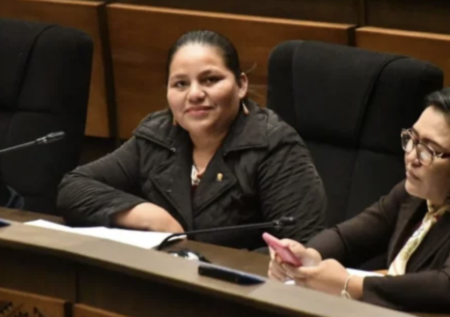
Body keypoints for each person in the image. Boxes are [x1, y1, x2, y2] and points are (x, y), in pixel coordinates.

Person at [57, 30, 326, 250]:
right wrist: (148, 215)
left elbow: (300, 244)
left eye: (210, 80)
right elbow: (74, 187)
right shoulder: (158, 136)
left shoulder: (273, 145)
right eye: (181, 84)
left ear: (241, 85)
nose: (194, 94)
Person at [267, 87, 450, 312]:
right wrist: (309, 256)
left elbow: (444, 286)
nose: (411, 156)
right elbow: (348, 238)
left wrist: (350, 285)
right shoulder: (412, 194)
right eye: (412, 139)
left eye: (429, 150)